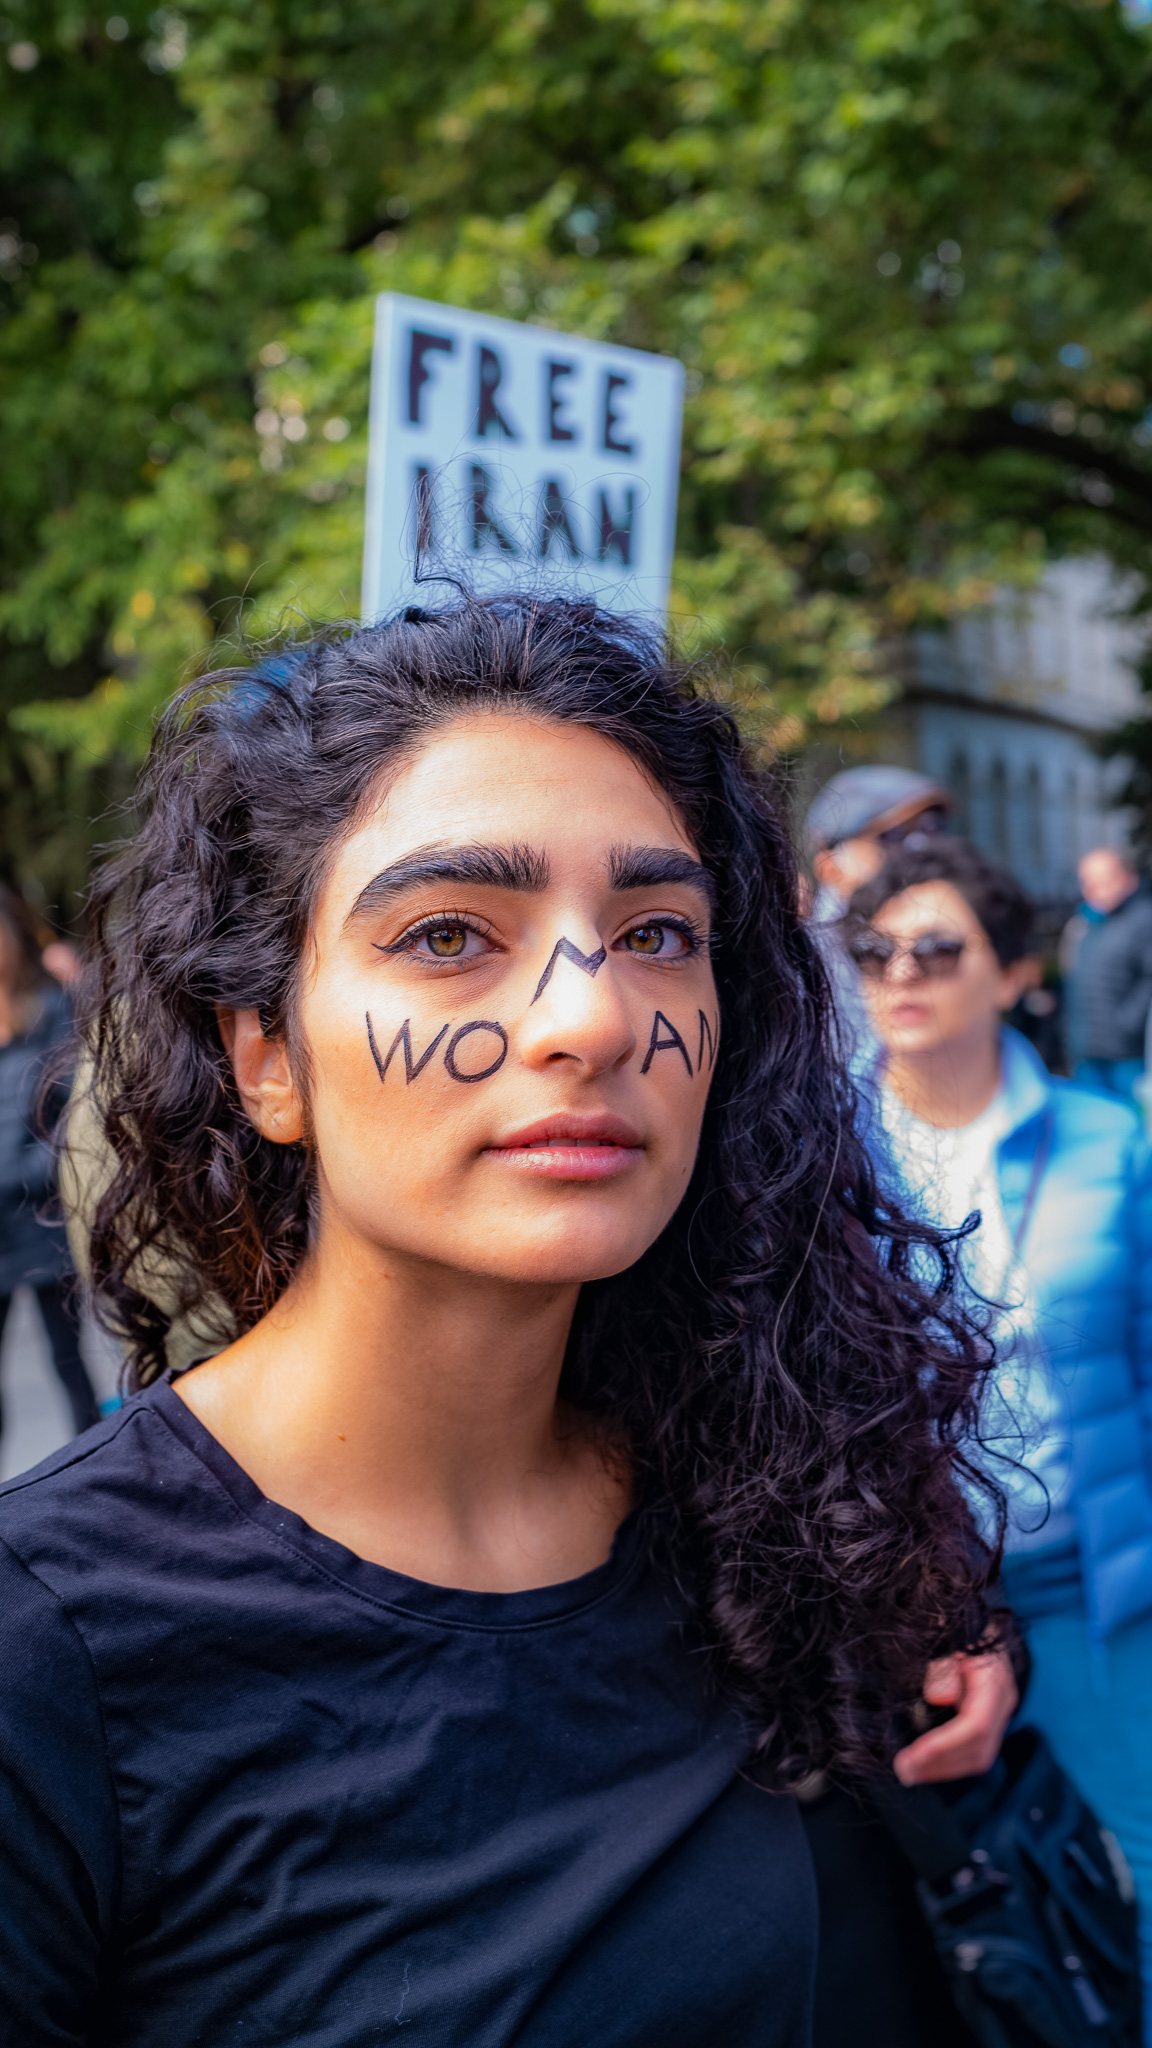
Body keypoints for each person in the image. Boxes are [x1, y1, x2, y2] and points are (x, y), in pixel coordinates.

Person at [0, 597, 1012, 2047]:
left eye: (658, 930)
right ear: (266, 1056)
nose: (592, 1018)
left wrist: (933, 1635)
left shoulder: (766, 1508)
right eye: (448, 933)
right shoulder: (49, 1656)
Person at [847, 835, 1152, 2031]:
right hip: (902, 1607)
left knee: (1136, 1877)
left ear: (1013, 969)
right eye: (875, 949)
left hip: (1090, 1586)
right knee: (944, 1916)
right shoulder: (817, 1150)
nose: (902, 972)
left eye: (937, 946)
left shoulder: (1109, 1144)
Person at [0, 883, 98, 1447]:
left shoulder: (53, 1012)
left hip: (43, 1221)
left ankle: (95, 1492)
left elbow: (77, 1123)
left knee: (71, 1366)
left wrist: (27, 1174)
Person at [805, 764, 952, 1063]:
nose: (918, 846)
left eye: (931, 828)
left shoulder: (949, 934)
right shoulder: (803, 960)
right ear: (830, 861)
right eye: (892, 835)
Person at [1062, 845, 1152, 1104]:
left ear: (1128, 878)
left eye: (1103, 879)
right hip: (1087, 1049)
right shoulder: (1086, 921)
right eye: (1086, 880)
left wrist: (1127, 1024)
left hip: (1128, 1055)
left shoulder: (1144, 918)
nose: (1093, 888)